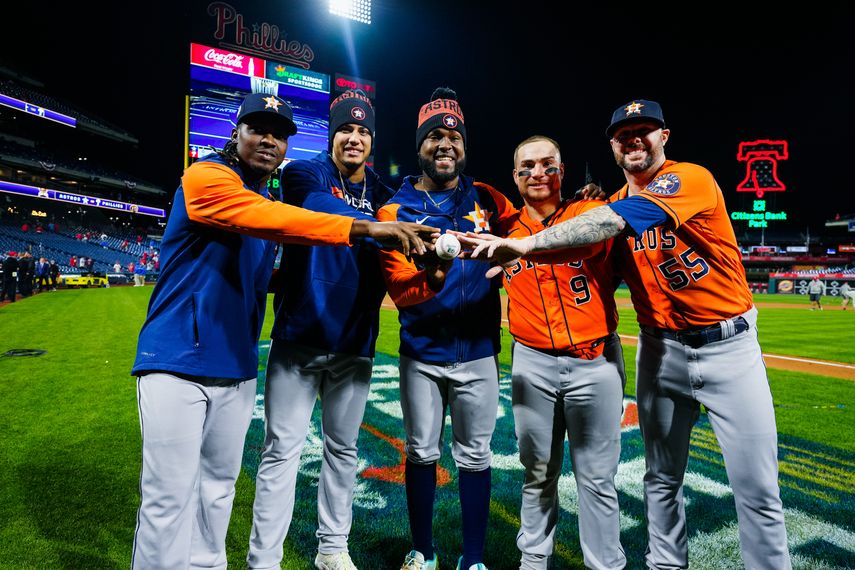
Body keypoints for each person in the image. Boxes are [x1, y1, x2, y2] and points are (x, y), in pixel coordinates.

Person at [459, 99, 791, 570]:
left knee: (757, 488)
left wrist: (526, 244)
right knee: (660, 480)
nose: (634, 139)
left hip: (728, 346)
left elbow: (610, 223)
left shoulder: (687, 178)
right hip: (660, 349)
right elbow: (583, 247)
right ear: (612, 145)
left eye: (646, 130)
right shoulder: (603, 203)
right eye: (623, 134)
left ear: (665, 137)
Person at [130, 92, 435, 570]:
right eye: (257, 128)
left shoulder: (267, 196)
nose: (268, 139)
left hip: (236, 364)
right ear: (237, 132)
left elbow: (264, 267)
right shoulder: (206, 176)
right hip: (175, 361)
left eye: (278, 133)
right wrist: (368, 229)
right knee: (168, 499)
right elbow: (278, 220)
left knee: (216, 490)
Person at [247, 90, 394, 570]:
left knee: (343, 451)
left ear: (372, 139)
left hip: (355, 339)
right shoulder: (304, 172)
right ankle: (263, 559)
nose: (354, 138)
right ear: (332, 136)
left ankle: (332, 549)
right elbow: (312, 205)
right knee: (281, 450)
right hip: (300, 334)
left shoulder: (385, 192)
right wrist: (378, 226)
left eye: (363, 131)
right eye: (346, 130)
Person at [377, 87, 517, 570]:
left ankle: (473, 559)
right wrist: (432, 277)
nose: (445, 145)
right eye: (434, 136)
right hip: (422, 352)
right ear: (419, 146)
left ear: (465, 145)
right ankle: (423, 551)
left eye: (453, 137)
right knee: (420, 452)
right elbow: (400, 290)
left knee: (476, 457)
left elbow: (531, 233)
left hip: (479, 351)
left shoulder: (490, 198)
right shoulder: (395, 211)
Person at [501, 136, 626, 570]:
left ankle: (604, 564)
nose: (537, 173)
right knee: (537, 472)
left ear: (562, 170)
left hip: (596, 360)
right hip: (532, 362)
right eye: (527, 166)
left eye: (547, 164)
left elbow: (603, 234)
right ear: (515, 177)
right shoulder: (503, 227)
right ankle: (533, 562)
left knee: (597, 479)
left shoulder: (589, 212)